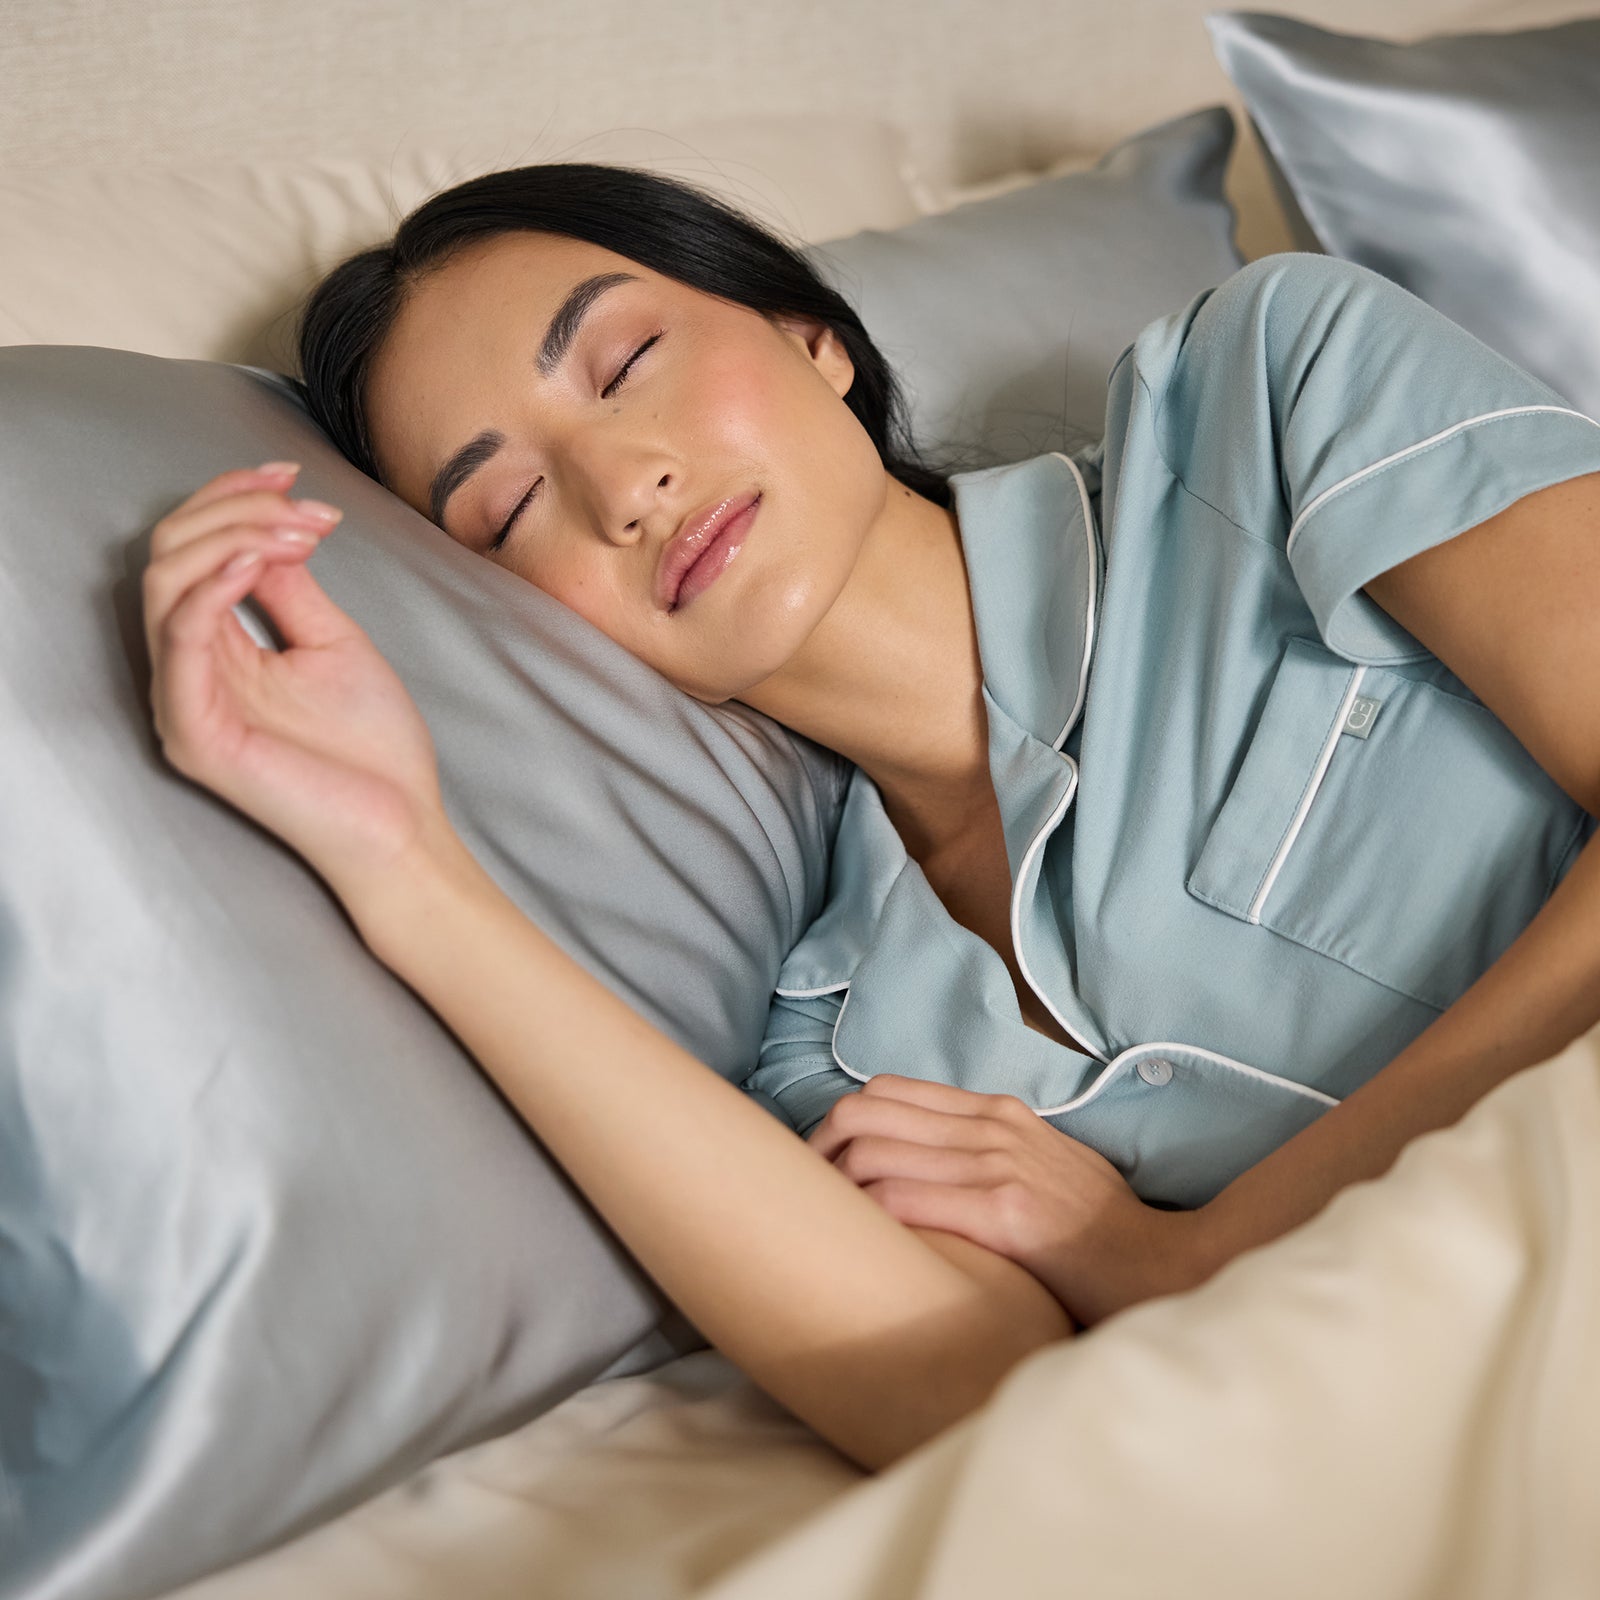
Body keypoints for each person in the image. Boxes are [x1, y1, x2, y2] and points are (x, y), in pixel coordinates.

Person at [141, 163, 1600, 1473]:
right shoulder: (834, 1052)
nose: (619, 485)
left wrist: (1181, 1256)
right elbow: (994, 1412)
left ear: (807, 335)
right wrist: (402, 867)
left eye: (626, 360)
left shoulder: (1269, 388)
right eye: (509, 511)